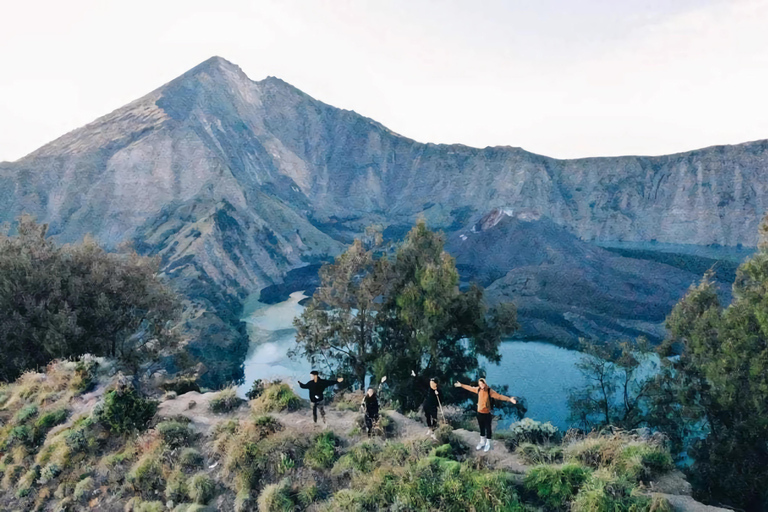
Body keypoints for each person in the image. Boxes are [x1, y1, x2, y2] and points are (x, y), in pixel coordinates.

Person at [454, 377, 517, 452]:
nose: (481, 385)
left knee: (488, 428)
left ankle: (488, 442)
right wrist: (461, 385)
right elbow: (470, 388)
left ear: (485, 383)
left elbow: (499, 396)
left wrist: (509, 399)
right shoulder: (478, 389)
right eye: (480, 384)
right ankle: (482, 441)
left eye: (482, 383)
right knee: (481, 427)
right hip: (479, 413)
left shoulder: (489, 391)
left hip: (487, 413)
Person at [411, 370, 441, 436]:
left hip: (433, 406)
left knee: (434, 418)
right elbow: (420, 382)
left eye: (432, 383)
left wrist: (438, 395)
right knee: (427, 417)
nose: (431, 384)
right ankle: (430, 428)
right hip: (427, 404)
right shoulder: (428, 388)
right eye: (430, 383)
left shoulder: (438, 390)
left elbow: (441, 399)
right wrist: (415, 376)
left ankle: (434, 430)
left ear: (436, 384)